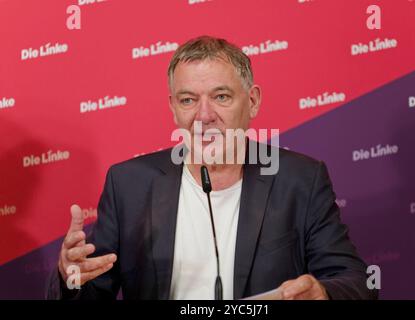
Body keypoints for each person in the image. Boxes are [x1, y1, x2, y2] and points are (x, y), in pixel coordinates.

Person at [46, 36, 377, 300]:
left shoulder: (300, 181)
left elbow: (355, 282)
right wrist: (69, 276)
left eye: (221, 96)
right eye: (188, 100)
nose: (204, 116)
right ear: (173, 109)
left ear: (253, 101)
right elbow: (90, 291)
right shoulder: (129, 185)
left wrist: (323, 293)